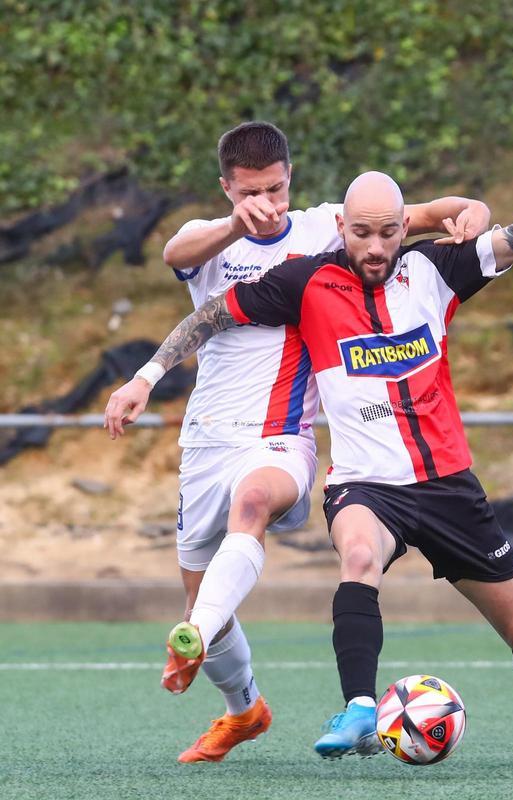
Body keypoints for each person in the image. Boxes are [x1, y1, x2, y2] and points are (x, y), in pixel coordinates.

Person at [105, 170, 513, 766]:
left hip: (446, 485)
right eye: (361, 234)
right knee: (358, 558)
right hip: (364, 485)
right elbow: (210, 317)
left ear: (404, 227)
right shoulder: (307, 281)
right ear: (342, 231)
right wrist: (145, 378)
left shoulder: (437, 268)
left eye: (386, 233)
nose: (375, 248)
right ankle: (358, 706)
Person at [104, 121, 490, 764]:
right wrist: (144, 378)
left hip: (283, 436)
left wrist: (471, 210)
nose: (269, 204)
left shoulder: (326, 226)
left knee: (252, 505)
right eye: (252, 192)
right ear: (227, 187)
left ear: (292, 179)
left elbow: (425, 213)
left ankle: (190, 635)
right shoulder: (209, 240)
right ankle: (243, 709)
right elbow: (177, 255)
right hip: (206, 439)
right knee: (204, 593)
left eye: (278, 189)